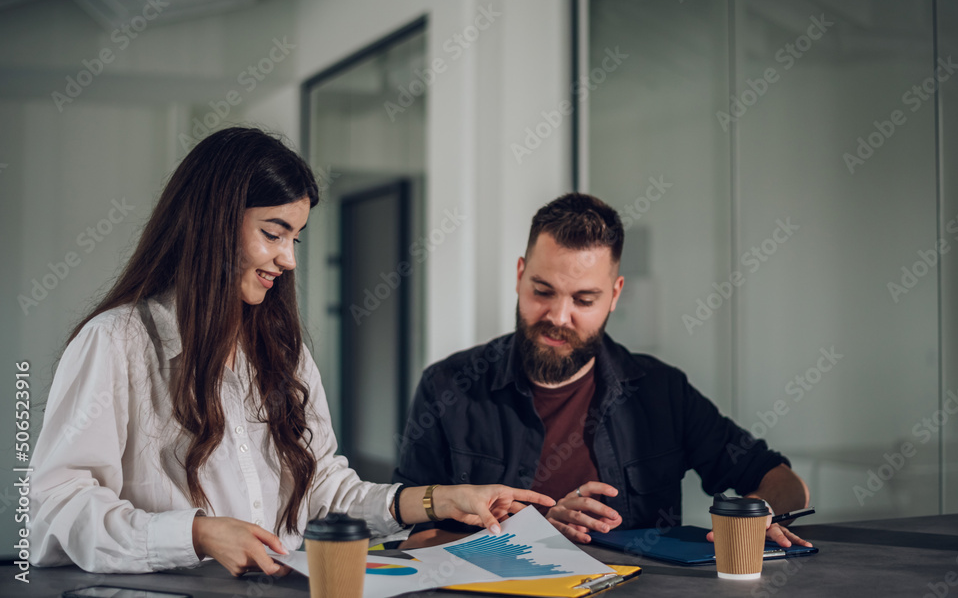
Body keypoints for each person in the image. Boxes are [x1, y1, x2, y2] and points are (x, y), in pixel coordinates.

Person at [29, 127, 553, 577]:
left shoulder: (281, 350)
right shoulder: (117, 342)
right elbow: (56, 508)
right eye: (274, 234)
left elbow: (325, 488)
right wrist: (197, 534)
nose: (288, 260)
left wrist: (443, 499)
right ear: (214, 223)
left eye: (296, 240)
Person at [394, 193, 811, 548]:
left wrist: (760, 515)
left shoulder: (662, 392)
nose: (558, 316)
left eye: (584, 299)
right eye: (543, 291)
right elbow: (412, 535)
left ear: (614, 296)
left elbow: (785, 483)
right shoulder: (448, 387)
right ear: (520, 277)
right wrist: (528, 536)